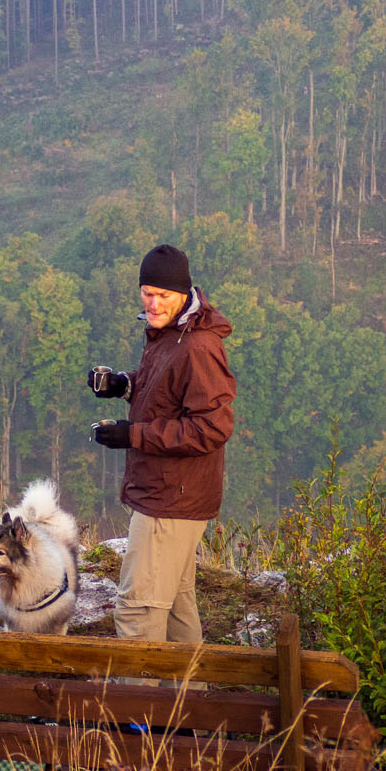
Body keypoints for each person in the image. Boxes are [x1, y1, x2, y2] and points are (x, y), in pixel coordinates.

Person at [87, 243, 236, 645]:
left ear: (185, 294)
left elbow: (212, 427)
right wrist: (123, 384)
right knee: (175, 605)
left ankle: (143, 708)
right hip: (173, 494)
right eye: (147, 293)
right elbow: (166, 390)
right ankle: (190, 703)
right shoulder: (172, 333)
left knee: (137, 611)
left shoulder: (198, 346)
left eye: (163, 296)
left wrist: (132, 435)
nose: (153, 304)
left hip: (171, 498)